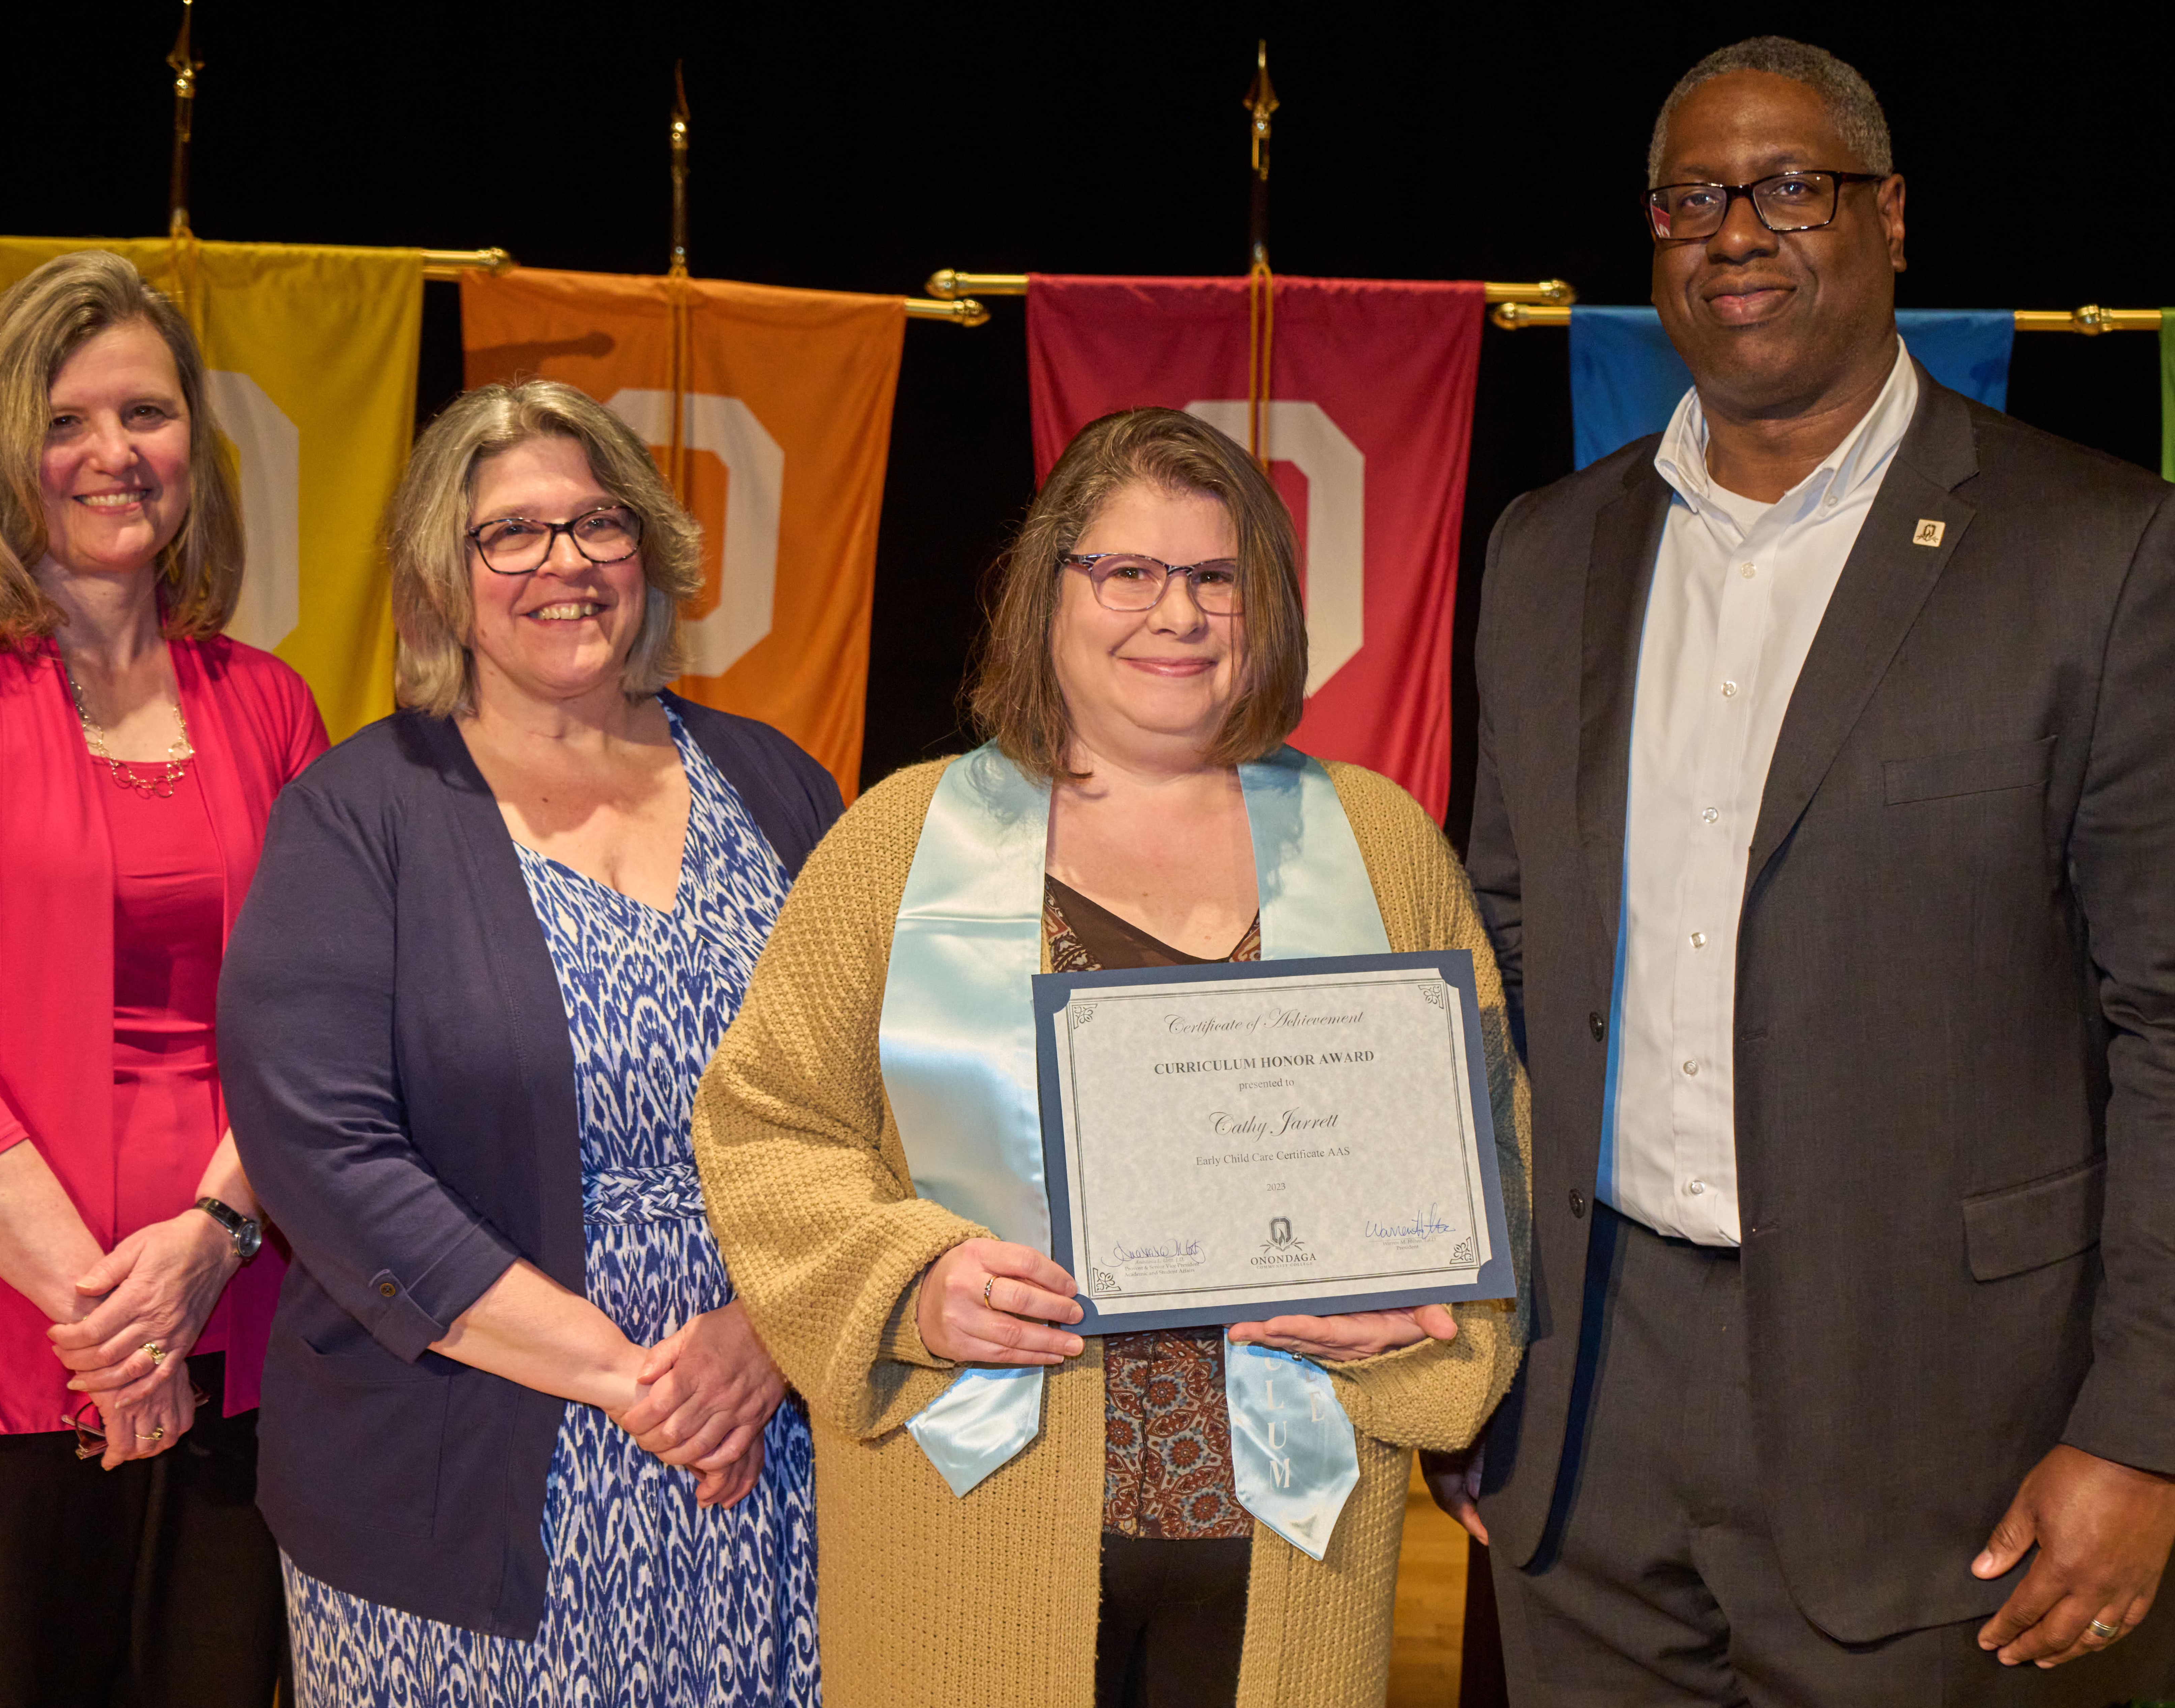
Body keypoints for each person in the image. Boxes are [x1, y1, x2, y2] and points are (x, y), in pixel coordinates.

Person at [1446, 35, 2175, 1706]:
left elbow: (2163, 1021)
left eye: (1790, 186)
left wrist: (2137, 1429)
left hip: (1944, 1438)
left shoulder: (2098, 553)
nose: (1734, 231)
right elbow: (1496, 954)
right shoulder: (1545, 549)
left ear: (1892, 218)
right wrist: (1463, 1342)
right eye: (1691, 197)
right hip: (1581, 1422)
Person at [690, 406, 1533, 1708]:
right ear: (1050, 591)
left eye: (1215, 576)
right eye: (1128, 573)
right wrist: (912, 1285)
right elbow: (769, 1124)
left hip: (1287, 1525)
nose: (1177, 615)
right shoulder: (901, 839)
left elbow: (1487, 1136)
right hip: (971, 1511)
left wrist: (1419, 1304)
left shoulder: (1374, 841)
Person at [217, 378, 839, 1706]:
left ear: (649, 553)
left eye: (596, 525)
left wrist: (768, 1339)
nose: (563, 563)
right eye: (511, 533)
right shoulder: (357, 816)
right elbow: (321, 1150)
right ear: (445, 575)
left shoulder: (778, 786)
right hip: (458, 1485)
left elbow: (886, 1102)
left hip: (759, 1466)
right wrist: (628, 1379)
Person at [0, 250, 326, 1706]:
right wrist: (114, 1329)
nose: (115, 455)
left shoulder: (273, 704)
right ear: (1, 452)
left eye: (148, 413)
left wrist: (207, 1250)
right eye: (68, 421)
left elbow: (319, 1034)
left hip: (239, 1351)